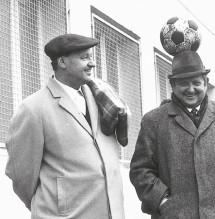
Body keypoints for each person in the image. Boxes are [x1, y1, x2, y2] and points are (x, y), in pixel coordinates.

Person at [5, 34, 128, 218]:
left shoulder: (102, 99)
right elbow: (21, 177)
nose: (92, 63)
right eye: (84, 57)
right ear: (62, 62)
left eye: (91, 57)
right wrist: (51, 207)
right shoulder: (33, 108)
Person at [129, 50, 215, 219]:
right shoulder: (153, 121)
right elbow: (141, 170)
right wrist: (163, 201)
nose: (191, 89)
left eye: (196, 82)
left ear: (206, 83)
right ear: (173, 85)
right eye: (184, 83)